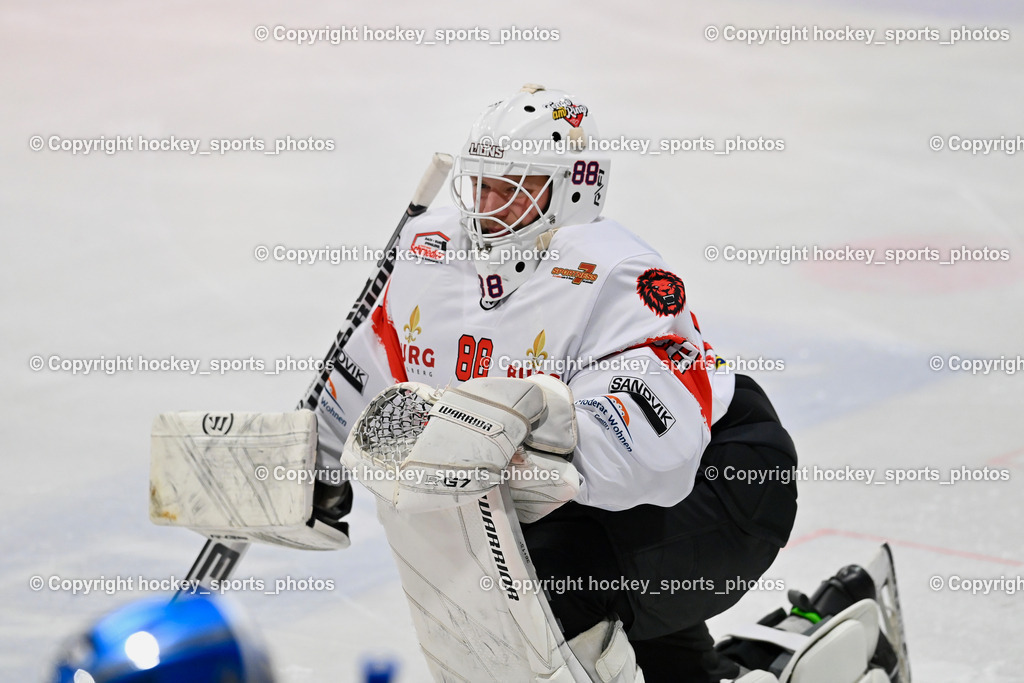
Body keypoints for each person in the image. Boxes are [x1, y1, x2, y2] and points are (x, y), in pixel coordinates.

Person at [315, 84, 798, 682]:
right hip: (596, 508)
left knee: (537, 584)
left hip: (723, 482)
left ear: (569, 190)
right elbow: (373, 367)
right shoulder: (431, 253)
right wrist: (313, 460)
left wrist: (525, 428)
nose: (486, 205)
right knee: (536, 563)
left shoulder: (621, 275)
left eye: (511, 187)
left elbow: (657, 461)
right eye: (481, 183)